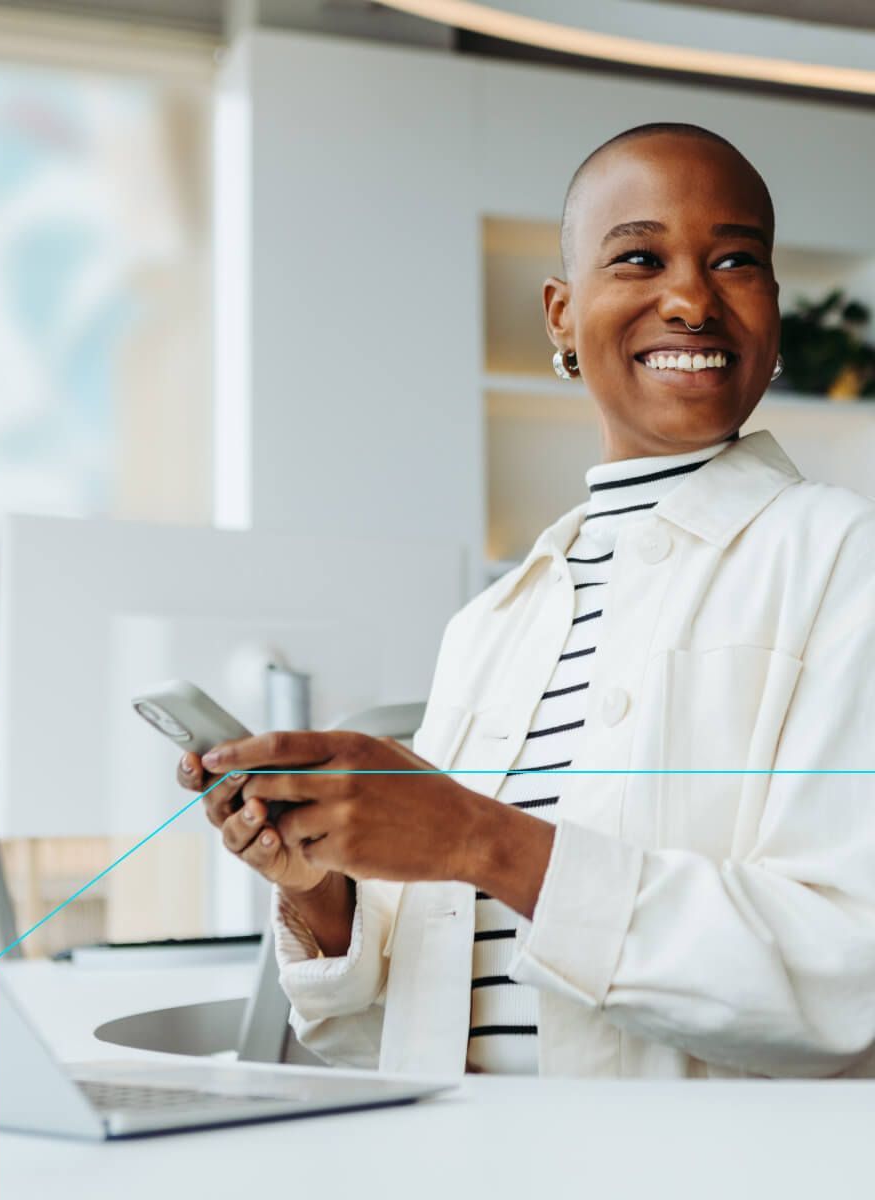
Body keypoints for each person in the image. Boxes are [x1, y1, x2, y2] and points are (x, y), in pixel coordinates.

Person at [179, 122, 875, 1079]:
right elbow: (395, 1035)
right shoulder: (490, 628)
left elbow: (848, 979)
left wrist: (479, 840)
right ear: (560, 313)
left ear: (774, 306)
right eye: (639, 257)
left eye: (736, 261)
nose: (690, 299)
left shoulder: (843, 558)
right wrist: (322, 896)